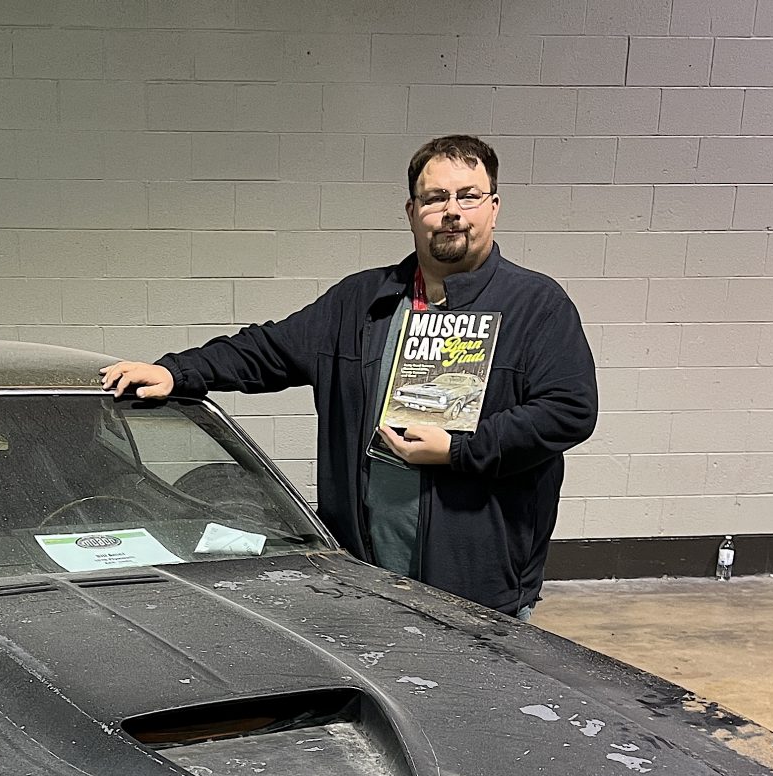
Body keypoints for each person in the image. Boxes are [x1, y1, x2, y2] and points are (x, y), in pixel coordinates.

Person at [101, 134, 597, 619]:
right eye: (435, 197)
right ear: (411, 211)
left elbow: (568, 411)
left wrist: (458, 450)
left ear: (493, 207)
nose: (452, 210)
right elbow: (268, 349)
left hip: (479, 581)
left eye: (468, 196)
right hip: (367, 572)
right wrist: (176, 371)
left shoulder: (537, 306)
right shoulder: (361, 301)